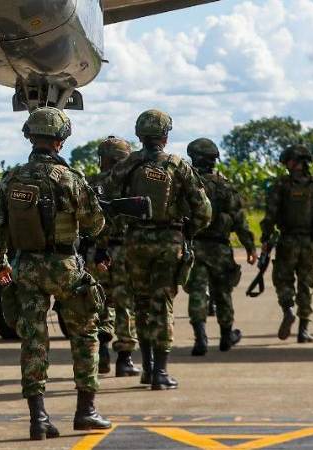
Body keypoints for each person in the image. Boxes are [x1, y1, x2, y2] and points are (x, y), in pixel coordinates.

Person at [0, 108, 111, 440]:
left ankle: (38, 418)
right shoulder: (71, 178)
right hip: (65, 267)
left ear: (31, 137)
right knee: (85, 335)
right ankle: (86, 411)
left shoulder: (10, 180)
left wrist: (1, 266)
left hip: (25, 267)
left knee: (33, 340)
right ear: (60, 140)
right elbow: (95, 224)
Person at [101, 110, 211, 390]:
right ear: (165, 135)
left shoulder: (126, 166)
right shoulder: (178, 166)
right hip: (168, 242)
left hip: (135, 242)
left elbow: (106, 203)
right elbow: (203, 210)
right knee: (163, 305)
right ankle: (161, 372)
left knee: (140, 304)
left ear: (140, 135)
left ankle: (148, 369)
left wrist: (121, 228)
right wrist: (186, 232)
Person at [185, 138, 257, 355]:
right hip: (220, 248)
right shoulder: (224, 186)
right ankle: (226, 335)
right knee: (223, 292)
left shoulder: (185, 185)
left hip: (194, 246)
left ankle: (201, 338)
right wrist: (250, 247)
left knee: (197, 292)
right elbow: (239, 219)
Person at [260, 145, 313, 343]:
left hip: (287, 240)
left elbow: (270, 216)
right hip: (310, 242)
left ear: (296, 162)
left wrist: (265, 239)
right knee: (306, 282)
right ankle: (303, 330)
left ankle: (288, 309)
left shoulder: (281, 185)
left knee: (283, 279)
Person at [86, 137, 141, 377]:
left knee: (99, 302)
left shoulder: (91, 183)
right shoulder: (133, 184)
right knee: (125, 304)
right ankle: (125, 359)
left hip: (95, 252)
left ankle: (103, 349)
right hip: (124, 251)